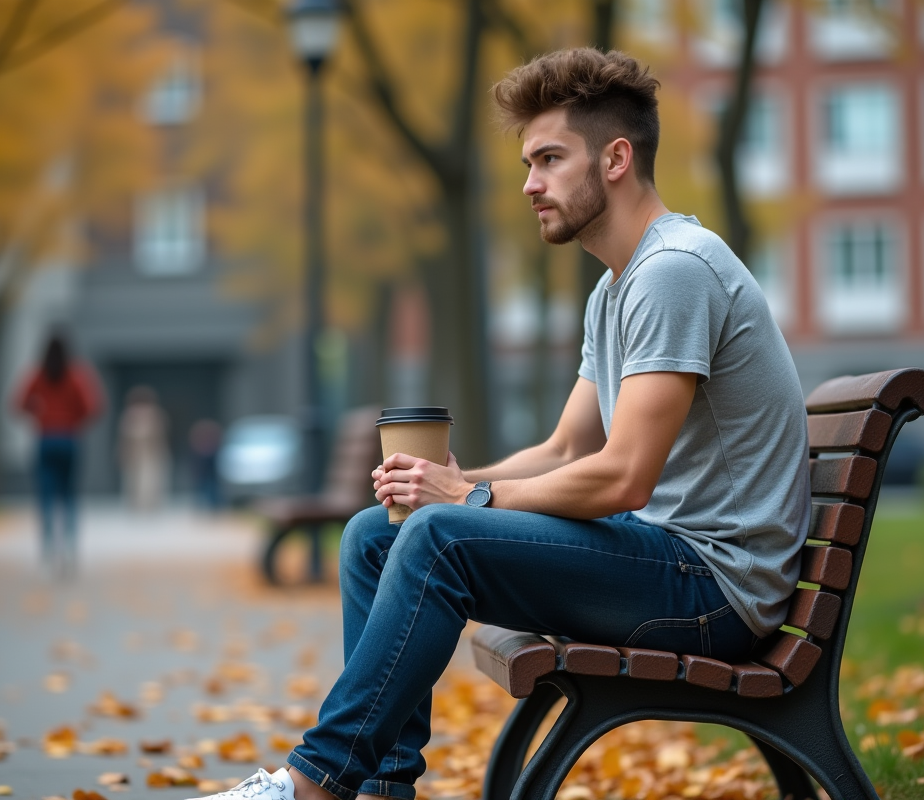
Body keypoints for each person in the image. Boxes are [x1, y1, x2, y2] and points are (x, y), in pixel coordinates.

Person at [189, 48, 810, 800]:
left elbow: (624, 475)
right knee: (376, 534)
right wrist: (446, 481)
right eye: (527, 162)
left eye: (550, 159)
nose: (530, 184)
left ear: (616, 158)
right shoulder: (616, 290)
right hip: (668, 563)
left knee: (439, 535)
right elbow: (564, 447)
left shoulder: (675, 271)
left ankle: (314, 782)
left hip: (714, 590)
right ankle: (382, 790)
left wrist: (465, 502)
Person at [15, 333, 103, 575]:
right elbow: (93, 407)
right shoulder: (76, 375)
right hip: (70, 439)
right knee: (70, 495)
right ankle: (70, 547)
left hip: (45, 439)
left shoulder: (38, 375)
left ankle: (47, 547)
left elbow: (18, 403)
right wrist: (74, 419)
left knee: (45, 496)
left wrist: (39, 414)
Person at [117, 386, 170, 511]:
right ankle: (139, 504)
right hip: (137, 453)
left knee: (149, 480)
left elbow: (161, 435)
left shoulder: (155, 414)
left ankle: (148, 504)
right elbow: (124, 437)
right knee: (136, 480)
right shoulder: (130, 415)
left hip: (150, 453)